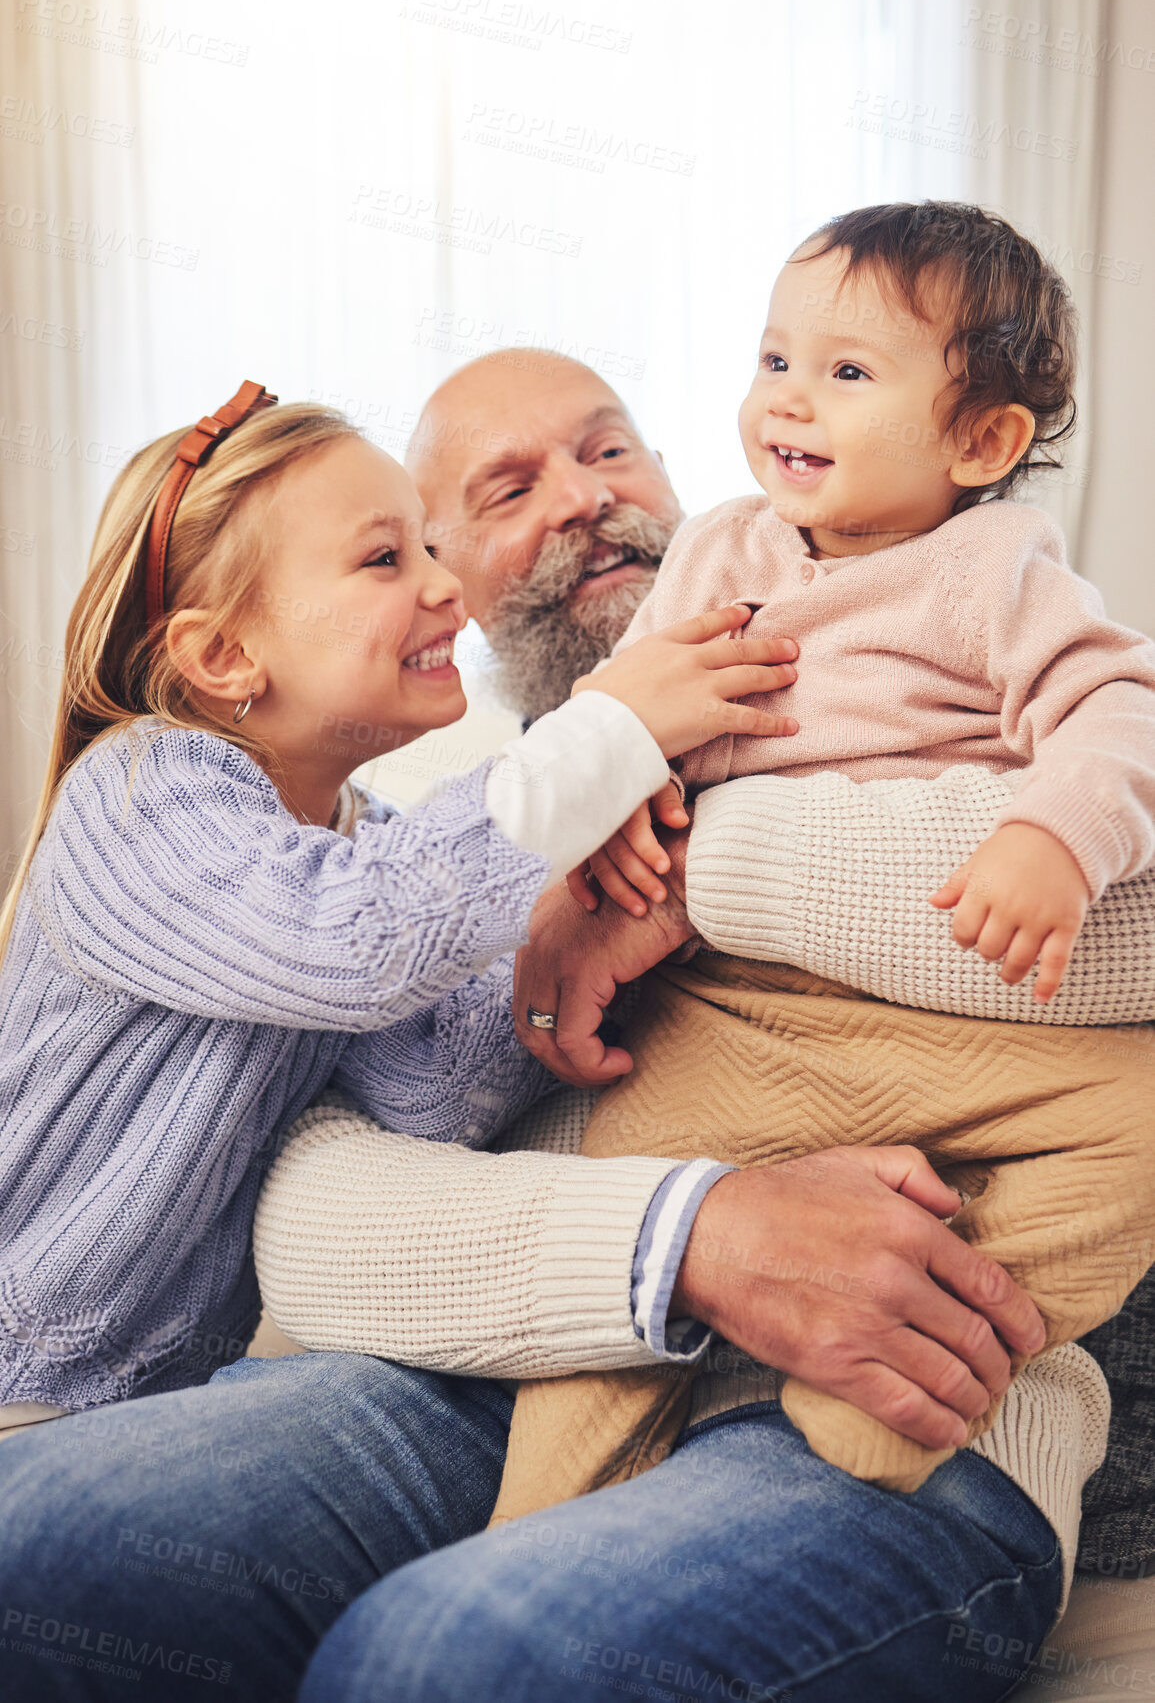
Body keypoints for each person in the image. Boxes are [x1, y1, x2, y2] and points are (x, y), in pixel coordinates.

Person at [0, 354, 1140, 1703]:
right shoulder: (416, 823)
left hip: (875, 1398)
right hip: (505, 1359)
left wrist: (693, 869)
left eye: (611, 450)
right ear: (462, 585)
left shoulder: (924, 660)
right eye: (500, 490)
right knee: (34, 1551)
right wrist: (693, 1228)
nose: (584, 501)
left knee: (444, 1664)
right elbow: (313, 1193)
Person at [492, 201, 1155, 1517]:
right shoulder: (719, 546)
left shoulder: (991, 563)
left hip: (938, 1015)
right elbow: (627, 709)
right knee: (622, 1247)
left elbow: (1116, 710)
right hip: (724, 1017)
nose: (786, 399)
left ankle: (917, 1354)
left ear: (981, 439)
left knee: (1137, 1121)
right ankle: (533, 1517)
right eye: (773, 358)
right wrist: (619, 804)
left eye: (845, 372)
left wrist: (1051, 836)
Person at [0, 383, 799, 1432]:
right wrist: (608, 725)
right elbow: (362, 939)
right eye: (387, 560)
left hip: (128, 1407)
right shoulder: (142, 793)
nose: (447, 590)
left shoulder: (360, 836)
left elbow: (427, 1091)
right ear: (223, 657)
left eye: (432, 548)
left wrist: (574, 934)